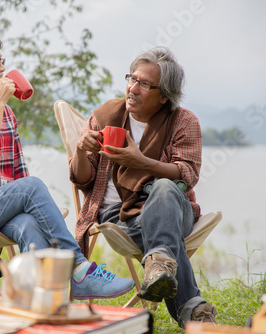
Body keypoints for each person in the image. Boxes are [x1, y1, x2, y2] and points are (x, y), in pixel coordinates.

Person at [0, 24, 135, 300]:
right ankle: (79, 268)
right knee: (32, 187)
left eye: (2, 60)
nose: (2, 68)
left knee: (28, 222)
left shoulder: (7, 116)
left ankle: (33, 303)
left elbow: (17, 174)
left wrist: (1, 109)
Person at [69, 46, 217, 326]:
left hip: (172, 209)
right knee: (165, 238)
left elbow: (187, 174)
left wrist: (141, 160)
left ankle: (160, 264)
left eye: (145, 84)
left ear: (164, 96)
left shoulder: (183, 121)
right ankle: (188, 304)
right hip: (118, 216)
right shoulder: (105, 116)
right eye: (132, 79)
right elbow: (82, 179)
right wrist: (79, 150)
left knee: (163, 186)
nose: (133, 88)